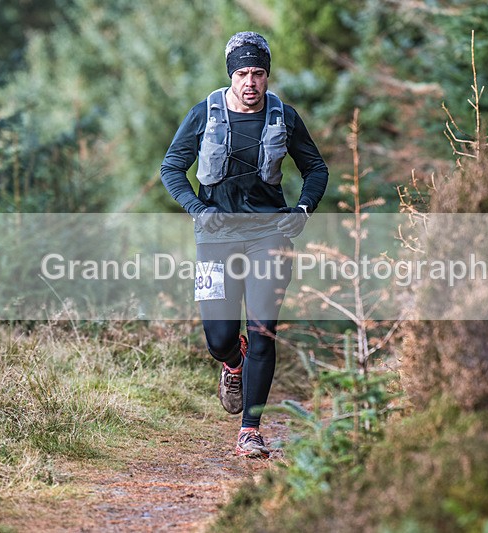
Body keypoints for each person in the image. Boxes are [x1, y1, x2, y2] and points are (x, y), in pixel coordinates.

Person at [160, 31, 328, 458]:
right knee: (219, 337)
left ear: (267, 75)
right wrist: (196, 208)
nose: (250, 81)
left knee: (263, 331)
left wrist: (303, 210)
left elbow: (316, 169)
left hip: (269, 234)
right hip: (215, 236)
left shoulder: (284, 117)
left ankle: (249, 429)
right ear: (231, 76)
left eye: (257, 73)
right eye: (242, 73)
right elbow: (172, 168)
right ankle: (232, 364)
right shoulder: (205, 113)